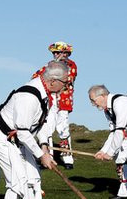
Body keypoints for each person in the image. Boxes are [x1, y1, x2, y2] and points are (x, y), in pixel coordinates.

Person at [0, 60, 69, 199]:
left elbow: (41, 122)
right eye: (65, 82)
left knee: (33, 178)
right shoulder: (29, 97)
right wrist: (42, 156)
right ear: (53, 81)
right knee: (18, 182)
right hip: (2, 138)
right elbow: (23, 131)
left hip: (18, 140)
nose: (66, 86)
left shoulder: (46, 94)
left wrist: (44, 146)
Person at [32, 41, 78, 169]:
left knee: (63, 128)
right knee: (48, 126)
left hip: (63, 100)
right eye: (55, 52)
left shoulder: (71, 65)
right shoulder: (49, 65)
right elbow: (36, 76)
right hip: (51, 99)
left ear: (66, 53)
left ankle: (68, 158)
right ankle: (49, 156)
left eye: (58, 52)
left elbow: (69, 78)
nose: (56, 54)